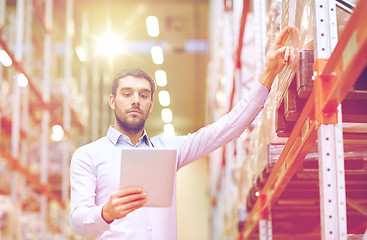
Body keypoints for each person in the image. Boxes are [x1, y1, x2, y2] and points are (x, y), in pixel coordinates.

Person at [69, 25, 296, 239]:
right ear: (112, 100)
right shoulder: (88, 155)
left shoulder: (168, 149)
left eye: (143, 95)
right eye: (127, 94)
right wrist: (105, 212)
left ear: (151, 104)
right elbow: (78, 220)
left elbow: (226, 129)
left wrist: (267, 74)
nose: (136, 100)